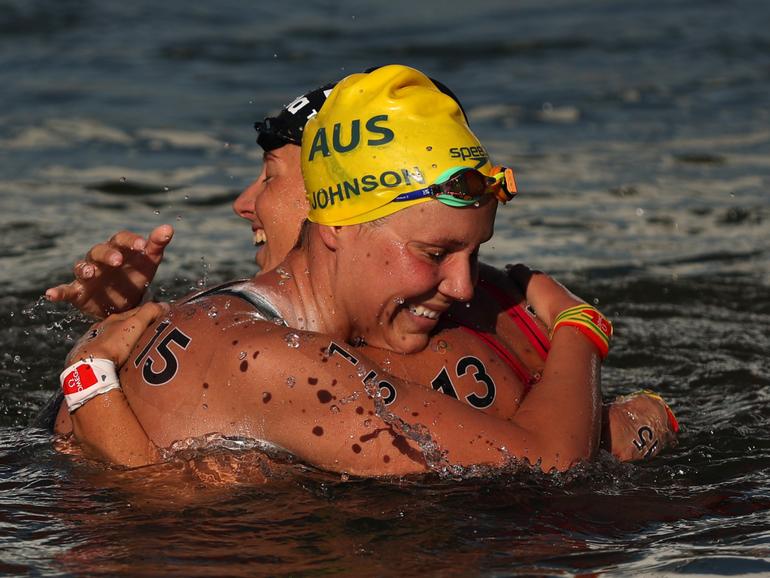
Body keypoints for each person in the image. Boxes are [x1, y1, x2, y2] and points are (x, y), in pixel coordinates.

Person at [48, 66, 678, 467]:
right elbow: (549, 464)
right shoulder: (276, 361)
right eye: (435, 254)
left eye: (474, 252)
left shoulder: (254, 323)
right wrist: (580, 325)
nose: (462, 285)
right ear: (338, 224)